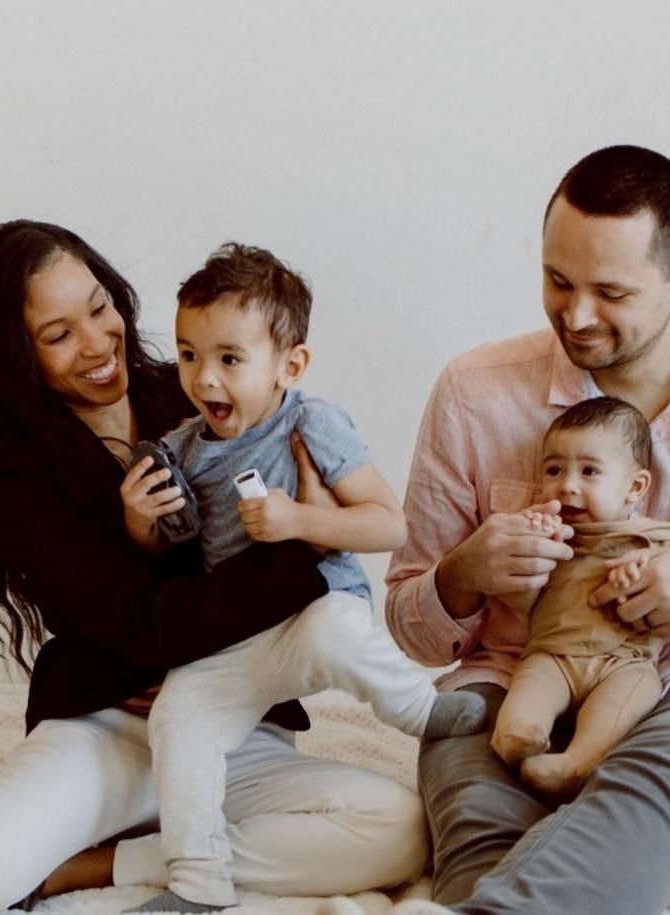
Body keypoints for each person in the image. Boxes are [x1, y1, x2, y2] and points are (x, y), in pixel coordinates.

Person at [0, 221, 429, 912]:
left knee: (400, 827)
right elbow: (147, 629)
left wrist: (316, 526)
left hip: (232, 725)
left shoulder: (193, 390)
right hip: (115, 729)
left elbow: (330, 491)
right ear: (12, 358)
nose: (96, 341)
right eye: (57, 334)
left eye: (97, 306)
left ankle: (101, 866)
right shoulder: (13, 480)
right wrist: (307, 545)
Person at [386, 145, 670, 914]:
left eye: (610, 291)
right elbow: (411, 634)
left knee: (665, 779)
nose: (576, 316)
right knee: (481, 822)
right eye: (557, 281)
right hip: (509, 685)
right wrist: (464, 574)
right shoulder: (473, 392)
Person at [119, 243, 485, 913]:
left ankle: (421, 710)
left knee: (339, 630)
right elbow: (160, 554)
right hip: (239, 640)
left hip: (317, 613)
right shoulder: (182, 448)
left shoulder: (311, 422)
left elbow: (388, 526)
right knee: (179, 716)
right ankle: (197, 881)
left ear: (291, 364)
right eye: (190, 355)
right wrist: (140, 519)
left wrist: (297, 520)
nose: (205, 380)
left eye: (230, 359)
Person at [490, 396, 670, 802]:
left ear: (635, 486)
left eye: (589, 471)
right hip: (550, 656)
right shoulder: (545, 533)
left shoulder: (652, 538)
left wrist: (642, 571)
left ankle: (576, 763)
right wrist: (532, 552)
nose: (567, 485)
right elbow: (523, 603)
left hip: (624, 664)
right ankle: (520, 739)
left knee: (613, 715)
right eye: (554, 470)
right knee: (523, 705)